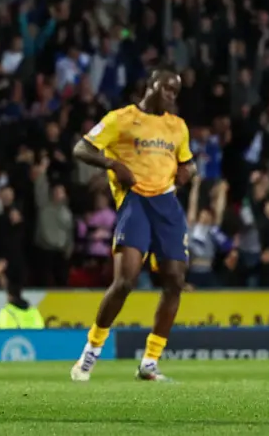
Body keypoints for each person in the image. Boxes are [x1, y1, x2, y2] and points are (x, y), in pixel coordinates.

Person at [70, 70, 195, 382]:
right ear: (150, 85)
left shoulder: (177, 126)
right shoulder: (121, 119)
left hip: (167, 204)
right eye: (166, 87)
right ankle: (91, 351)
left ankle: (150, 361)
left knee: (175, 281)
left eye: (175, 91)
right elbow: (81, 149)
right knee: (125, 280)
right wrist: (114, 164)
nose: (170, 94)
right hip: (135, 201)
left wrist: (187, 172)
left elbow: (186, 161)